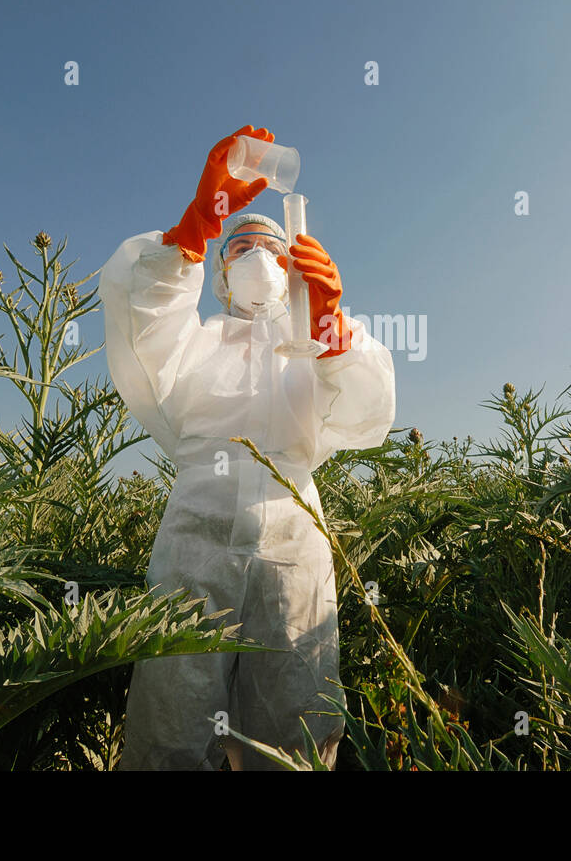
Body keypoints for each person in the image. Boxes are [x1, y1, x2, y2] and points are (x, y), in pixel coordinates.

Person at [100, 125, 396, 770]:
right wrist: (188, 238)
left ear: (290, 261)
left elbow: (368, 415)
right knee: (174, 702)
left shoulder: (313, 342)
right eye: (240, 245)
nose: (256, 254)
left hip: (293, 530)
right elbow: (141, 324)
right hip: (196, 527)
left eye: (270, 245)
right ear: (221, 271)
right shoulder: (196, 339)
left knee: (296, 702)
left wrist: (335, 339)